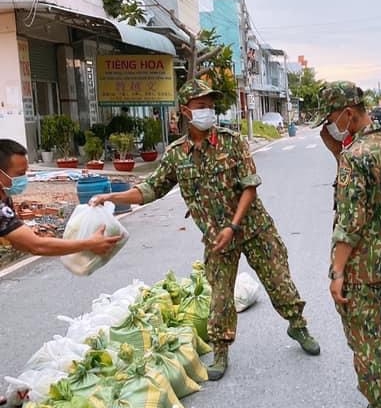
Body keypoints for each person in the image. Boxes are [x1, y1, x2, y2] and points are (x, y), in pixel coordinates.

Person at [90, 79, 320, 380]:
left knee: (279, 281)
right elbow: (151, 189)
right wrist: (111, 196)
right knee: (221, 297)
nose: (208, 111)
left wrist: (233, 226)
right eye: (201, 106)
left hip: (254, 228)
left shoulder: (232, 141)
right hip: (217, 238)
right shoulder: (176, 154)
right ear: (186, 111)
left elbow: (249, 188)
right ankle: (221, 352)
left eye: (211, 106)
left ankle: (298, 326)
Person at [312, 82, 381, 408]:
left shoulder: (354, 158)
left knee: (366, 338)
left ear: (349, 114)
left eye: (332, 119)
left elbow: (350, 224)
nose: (330, 126)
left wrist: (337, 271)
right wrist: (337, 146)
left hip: (362, 267)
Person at [0, 138, 122, 408]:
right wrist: (87, 242)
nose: (22, 181)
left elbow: (22, 235)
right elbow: (35, 246)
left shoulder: (4, 197)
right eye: (17, 175)